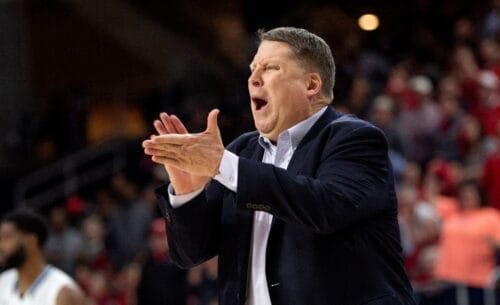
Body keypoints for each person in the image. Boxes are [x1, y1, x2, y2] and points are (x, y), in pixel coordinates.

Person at [143, 27, 416, 305]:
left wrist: (223, 164)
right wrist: (188, 193)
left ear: (311, 85)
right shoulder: (242, 152)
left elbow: (325, 207)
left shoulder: (355, 139)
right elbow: (191, 254)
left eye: (270, 68)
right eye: (252, 68)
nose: (253, 78)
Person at [0, 209, 87, 305]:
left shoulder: (61, 291)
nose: (1, 246)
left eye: (6, 237)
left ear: (31, 240)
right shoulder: (3, 281)